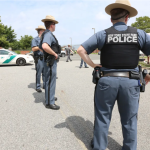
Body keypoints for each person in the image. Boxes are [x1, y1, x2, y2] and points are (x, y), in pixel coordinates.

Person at [77, 0, 150, 149]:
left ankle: (99, 147)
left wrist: (93, 65)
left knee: (102, 117)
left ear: (111, 19)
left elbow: (80, 50)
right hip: (131, 82)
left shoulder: (103, 34)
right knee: (130, 120)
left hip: (106, 81)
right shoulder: (139, 34)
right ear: (127, 17)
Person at [40, 15, 60, 110]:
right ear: (52, 25)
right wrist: (54, 54)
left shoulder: (47, 34)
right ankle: (49, 102)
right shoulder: (48, 34)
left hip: (49, 60)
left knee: (50, 81)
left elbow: (41, 47)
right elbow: (44, 46)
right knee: (50, 81)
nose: (55, 26)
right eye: (55, 24)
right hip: (51, 61)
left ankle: (50, 97)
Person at [31, 25, 45, 92]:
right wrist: (40, 47)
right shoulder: (35, 39)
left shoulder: (45, 39)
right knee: (39, 73)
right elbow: (33, 49)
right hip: (39, 58)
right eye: (43, 31)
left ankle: (44, 85)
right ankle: (38, 86)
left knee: (45, 72)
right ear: (40, 31)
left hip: (45, 58)